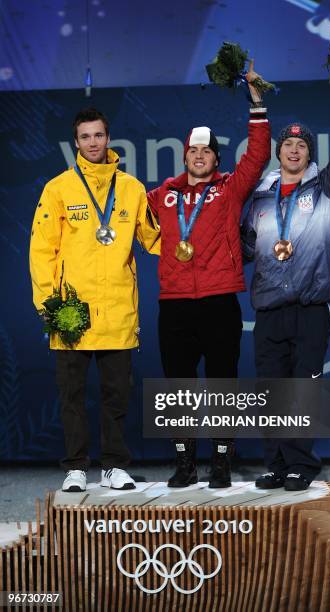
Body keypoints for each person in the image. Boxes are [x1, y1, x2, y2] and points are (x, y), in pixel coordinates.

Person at [241, 69, 330, 491]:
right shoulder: (259, 198)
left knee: (302, 390)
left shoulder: (328, 188)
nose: (294, 150)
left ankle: (300, 463)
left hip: (310, 309)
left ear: (309, 153)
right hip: (268, 312)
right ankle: (276, 464)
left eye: (302, 145)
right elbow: (242, 249)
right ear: (278, 152)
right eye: (288, 144)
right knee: (270, 391)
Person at [147, 62, 271, 489]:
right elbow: (122, 205)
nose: (199, 157)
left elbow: (257, 156)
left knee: (222, 384)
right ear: (184, 156)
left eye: (207, 152)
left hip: (220, 300)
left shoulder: (229, 189)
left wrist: (256, 102)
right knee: (178, 388)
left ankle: (221, 462)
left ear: (216, 158)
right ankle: (185, 464)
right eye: (192, 151)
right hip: (176, 303)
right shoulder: (162, 196)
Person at [29, 108, 160, 492]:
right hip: (71, 312)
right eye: (85, 137)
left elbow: (155, 241)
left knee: (116, 396)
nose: (93, 143)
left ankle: (115, 466)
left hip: (118, 309)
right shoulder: (58, 189)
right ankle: (75, 467)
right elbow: (42, 250)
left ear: (108, 138)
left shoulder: (132, 189)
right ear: (76, 143)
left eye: (98, 135)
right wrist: (50, 306)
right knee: (71, 396)